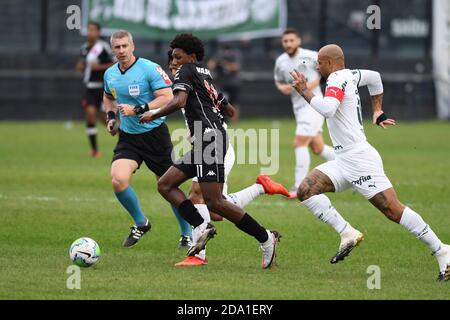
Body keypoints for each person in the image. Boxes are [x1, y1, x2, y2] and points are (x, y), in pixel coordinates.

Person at [290, 44, 450, 281]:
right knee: (306, 190)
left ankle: (443, 251)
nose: (318, 67)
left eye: (320, 63)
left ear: (331, 63)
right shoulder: (352, 74)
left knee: (393, 211)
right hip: (343, 159)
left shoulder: (335, 79)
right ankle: (347, 233)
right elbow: (375, 78)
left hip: (359, 159)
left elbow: (328, 109)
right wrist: (378, 110)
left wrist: (305, 91)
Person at [140, 34, 281, 269]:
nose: (173, 62)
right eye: (171, 58)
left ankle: (266, 238)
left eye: (178, 57)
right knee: (165, 184)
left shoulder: (186, 71)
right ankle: (201, 226)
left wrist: (153, 114)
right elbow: (230, 109)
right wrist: (206, 115)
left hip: (210, 140)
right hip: (208, 139)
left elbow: (180, 101)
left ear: (191, 56)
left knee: (215, 203)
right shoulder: (205, 74)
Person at [102, 30, 192, 249]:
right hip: (129, 138)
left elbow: (168, 97)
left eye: (125, 46)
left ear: (132, 46)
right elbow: (108, 96)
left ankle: (187, 233)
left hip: (155, 136)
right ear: (112, 49)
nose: (121, 51)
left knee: (169, 187)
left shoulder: (150, 69)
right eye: (117, 47)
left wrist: (139, 108)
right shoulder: (110, 74)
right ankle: (141, 223)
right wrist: (112, 117)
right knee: (118, 179)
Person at [274, 28, 335, 198]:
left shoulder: (311, 55)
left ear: (298, 41)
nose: (288, 44)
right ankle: (348, 167)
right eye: (285, 41)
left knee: (299, 143)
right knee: (318, 148)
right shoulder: (280, 61)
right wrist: (283, 88)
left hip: (313, 105)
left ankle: (298, 187)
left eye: (291, 40)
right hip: (299, 109)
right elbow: (278, 81)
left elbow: (326, 72)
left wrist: (313, 84)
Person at [75, 22, 114, 158]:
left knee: (105, 120)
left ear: (98, 32)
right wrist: (80, 66)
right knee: (90, 114)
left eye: (93, 30)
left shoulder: (103, 47)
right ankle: (94, 150)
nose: (90, 32)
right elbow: (82, 64)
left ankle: (125, 137)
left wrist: (100, 67)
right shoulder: (84, 48)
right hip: (90, 87)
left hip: (103, 88)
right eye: (88, 30)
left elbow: (114, 63)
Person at [207, 44, 242, 122]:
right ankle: (220, 120)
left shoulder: (235, 54)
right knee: (219, 102)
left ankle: (234, 122)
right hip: (221, 83)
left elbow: (236, 67)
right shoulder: (218, 54)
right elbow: (210, 65)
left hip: (233, 83)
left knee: (234, 102)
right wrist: (216, 63)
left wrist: (224, 64)